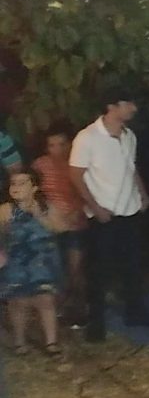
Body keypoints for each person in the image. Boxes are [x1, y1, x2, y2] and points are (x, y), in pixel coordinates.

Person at [68, 87, 148, 342]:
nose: (133, 108)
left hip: (129, 208)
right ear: (112, 107)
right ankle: (96, 322)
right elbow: (76, 175)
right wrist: (95, 207)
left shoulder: (129, 135)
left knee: (133, 265)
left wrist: (142, 194)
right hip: (104, 213)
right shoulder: (87, 137)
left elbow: (131, 167)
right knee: (98, 270)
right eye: (128, 103)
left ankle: (135, 311)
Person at [2, 167, 64, 358]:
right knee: (18, 302)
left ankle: (51, 342)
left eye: (22, 183)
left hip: (42, 261)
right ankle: (19, 341)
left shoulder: (46, 207)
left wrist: (39, 215)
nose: (16, 187)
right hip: (16, 261)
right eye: (13, 183)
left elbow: (61, 228)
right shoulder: (5, 210)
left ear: (34, 187)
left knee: (45, 300)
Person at [31, 129, 84, 311]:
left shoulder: (77, 163)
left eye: (62, 144)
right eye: (52, 145)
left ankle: (77, 306)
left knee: (75, 268)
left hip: (75, 223)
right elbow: (34, 192)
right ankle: (61, 308)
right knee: (57, 268)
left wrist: (76, 211)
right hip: (51, 224)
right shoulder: (40, 165)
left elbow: (85, 191)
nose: (58, 149)